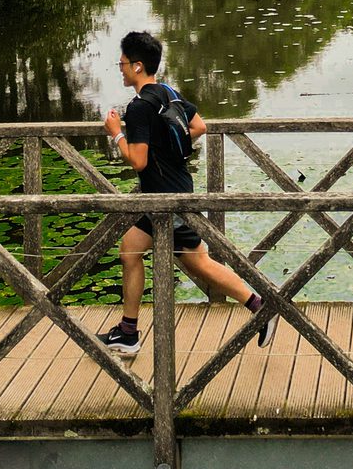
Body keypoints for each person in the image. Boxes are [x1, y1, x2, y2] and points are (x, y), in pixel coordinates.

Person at [97, 30, 278, 355]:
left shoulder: (138, 108)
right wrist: (167, 149)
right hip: (170, 191)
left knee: (199, 263)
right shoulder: (168, 93)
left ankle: (260, 306)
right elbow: (198, 126)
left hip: (168, 199)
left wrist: (115, 134)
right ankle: (128, 331)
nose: (120, 69)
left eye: (122, 63)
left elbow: (138, 161)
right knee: (130, 250)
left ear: (138, 66)